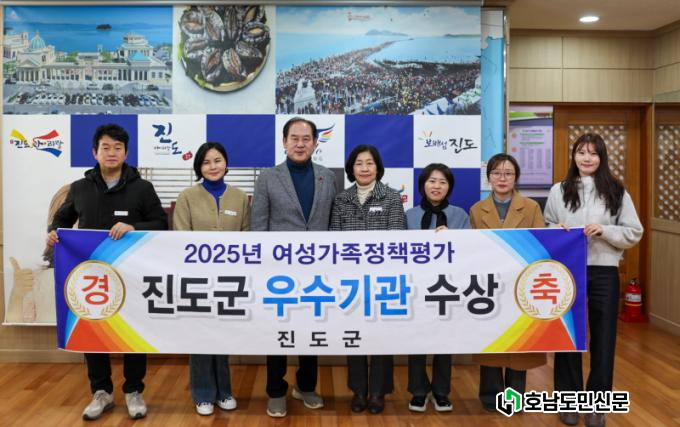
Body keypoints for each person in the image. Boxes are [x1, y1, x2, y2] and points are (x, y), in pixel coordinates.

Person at [46, 123, 168, 421]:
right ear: (95, 152)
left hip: (133, 274)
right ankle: (101, 392)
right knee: (93, 331)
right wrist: (53, 232)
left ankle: (134, 390)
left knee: (134, 332)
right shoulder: (80, 188)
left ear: (126, 153)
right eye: (106, 147)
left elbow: (161, 224)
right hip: (93, 276)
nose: (111, 153)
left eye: (117, 148)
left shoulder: (142, 188)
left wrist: (133, 226)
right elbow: (61, 220)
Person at [545, 134, 643, 427]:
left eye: (593, 153)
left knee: (604, 338)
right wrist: (556, 228)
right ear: (573, 156)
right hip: (568, 271)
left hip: (604, 271)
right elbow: (547, 224)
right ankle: (568, 401)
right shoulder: (558, 190)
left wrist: (605, 230)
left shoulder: (616, 191)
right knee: (567, 336)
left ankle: (597, 405)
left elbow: (634, 231)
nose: (586, 158)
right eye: (581, 152)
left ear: (602, 158)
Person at [251, 117, 337, 418]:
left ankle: (306, 386)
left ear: (315, 142)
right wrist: (262, 268)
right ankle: (276, 391)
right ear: (284, 141)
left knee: (311, 331)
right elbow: (258, 226)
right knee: (278, 332)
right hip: (278, 272)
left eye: (306, 139)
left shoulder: (328, 176)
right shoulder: (268, 177)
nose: (300, 144)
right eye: (294, 138)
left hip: (317, 271)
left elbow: (332, 223)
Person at [173, 142, 249, 416]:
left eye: (217, 160)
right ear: (199, 167)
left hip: (230, 280)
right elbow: (181, 237)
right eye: (206, 162)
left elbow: (247, 236)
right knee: (201, 335)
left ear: (226, 164)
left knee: (223, 335)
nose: (213, 166)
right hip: (198, 280)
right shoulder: (187, 196)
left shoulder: (240, 197)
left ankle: (224, 391)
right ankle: (203, 393)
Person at [329, 144, 406, 414]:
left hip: (382, 281)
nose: (364, 168)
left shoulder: (391, 197)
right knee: (355, 336)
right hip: (351, 281)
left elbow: (396, 239)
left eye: (369, 163)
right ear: (351, 169)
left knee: (382, 337)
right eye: (359, 163)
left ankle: (378, 392)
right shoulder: (341, 199)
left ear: (378, 168)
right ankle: (359, 390)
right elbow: (334, 241)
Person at [469, 153, 547, 412]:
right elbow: (471, 250)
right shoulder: (476, 210)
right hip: (489, 286)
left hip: (520, 284)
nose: (502, 178)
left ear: (516, 178)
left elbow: (541, 245)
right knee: (492, 340)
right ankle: (491, 396)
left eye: (508, 173)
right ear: (489, 177)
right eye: (496, 173)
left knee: (519, 342)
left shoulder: (531, 207)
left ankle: (514, 397)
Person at [405, 163, 470, 413]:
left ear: (449, 187)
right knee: (417, 341)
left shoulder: (460, 215)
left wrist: (453, 238)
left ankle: (441, 392)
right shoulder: (409, 215)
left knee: (445, 340)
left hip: (448, 286)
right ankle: (418, 391)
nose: (436, 186)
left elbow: (471, 251)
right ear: (423, 185)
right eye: (432, 181)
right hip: (417, 286)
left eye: (443, 182)